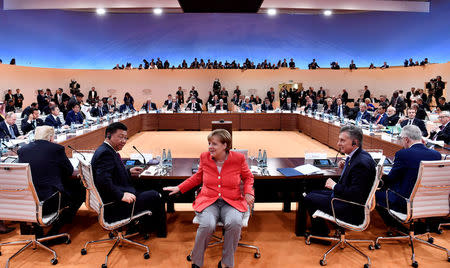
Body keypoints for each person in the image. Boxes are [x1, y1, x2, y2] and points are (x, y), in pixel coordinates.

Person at [163, 129, 254, 268]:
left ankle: (226, 262)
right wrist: (180, 188)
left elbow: (248, 177)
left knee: (235, 222)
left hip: (232, 201)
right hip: (208, 200)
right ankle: (196, 260)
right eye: (209, 143)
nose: (210, 147)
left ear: (225, 145)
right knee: (207, 225)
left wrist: (248, 192)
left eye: (214, 144)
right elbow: (197, 177)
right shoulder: (204, 157)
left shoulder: (238, 158)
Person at [91, 122, 164, 236]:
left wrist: (127, 172)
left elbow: (110, 174)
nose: (124, 141)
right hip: (114, 205)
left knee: (146, 186)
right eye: (120, 137)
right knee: (155, 194)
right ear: (109, 135)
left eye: (126, 138)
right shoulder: (106, 153)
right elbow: (103, 181)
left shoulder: (106, 149)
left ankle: (143, 226)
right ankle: (159, 232)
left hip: (115, 197)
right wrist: (121, 195)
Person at [303, 125, 376, 239]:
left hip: (351, 208)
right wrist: (345, 166)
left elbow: (356, 194)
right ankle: (328, 228)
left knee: (309, 198)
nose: (338, 144)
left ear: (354, 142)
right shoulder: (360, 155)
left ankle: (321, 234)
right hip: (346, 200)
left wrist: (334, 186)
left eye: (342, 140)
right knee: (312, 191)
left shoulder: (361, 163)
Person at [18, 126, 85, 239]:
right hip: (50, 201)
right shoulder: (56, 149)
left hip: (28, 200)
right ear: (50, 138)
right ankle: (58, 226)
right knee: (81, 187)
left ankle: (41, 228)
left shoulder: (22, 150)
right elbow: (69, 171)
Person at [375, 125, 441, 231]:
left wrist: (381, 174)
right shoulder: (436, 155)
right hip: (427, 201)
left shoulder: (403, 154)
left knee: (375, 193)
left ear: (406, 139)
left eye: (401, 139)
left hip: (404, 202)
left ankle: (394, 226)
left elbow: (392, 178)